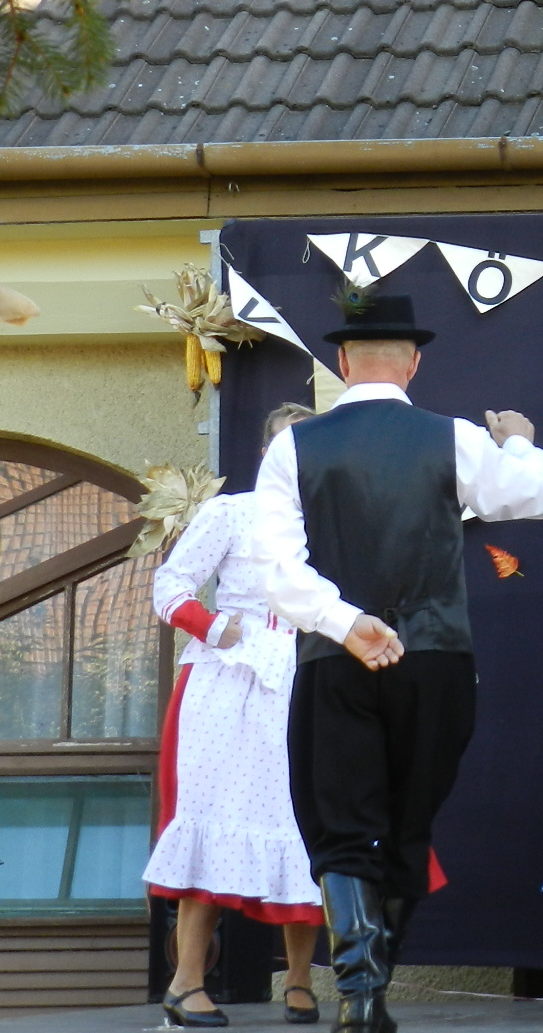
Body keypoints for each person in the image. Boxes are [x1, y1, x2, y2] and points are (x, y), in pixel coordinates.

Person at [255, 292, 543, 1033]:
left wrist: (346, 623)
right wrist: (520, 442)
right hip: (434, 658)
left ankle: (361, 996)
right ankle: (369, 992)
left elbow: (276, 568)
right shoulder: (454, 438)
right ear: (414, 363)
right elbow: (536, 494)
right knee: (407, 823)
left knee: (341, 826)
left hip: (336, 659)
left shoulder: (294, 447)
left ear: (341, 361)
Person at [146, 402, 323, 1029]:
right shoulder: (231, 512)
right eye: (287, 445)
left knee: (304, 821)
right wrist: (216, 627)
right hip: (229, 679)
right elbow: (170, 585)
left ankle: (299, 980)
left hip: (307, 675)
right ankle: (185, 981)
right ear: (267, 453)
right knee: (214, 817)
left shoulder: (334, 519)